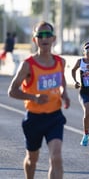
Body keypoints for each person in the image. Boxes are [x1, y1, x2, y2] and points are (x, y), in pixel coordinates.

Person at [7, 21, 70, 179]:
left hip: (54, 117)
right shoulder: (27, 65)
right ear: (35, 40)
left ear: (53, 38)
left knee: (56, 158)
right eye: (40, 35)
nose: (44, 38)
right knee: (32, 160)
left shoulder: (60, 62)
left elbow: (61, 80)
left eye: (47, 35)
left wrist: (64, 94)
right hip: (34, 119)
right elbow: (12, 91)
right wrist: (33, 97)